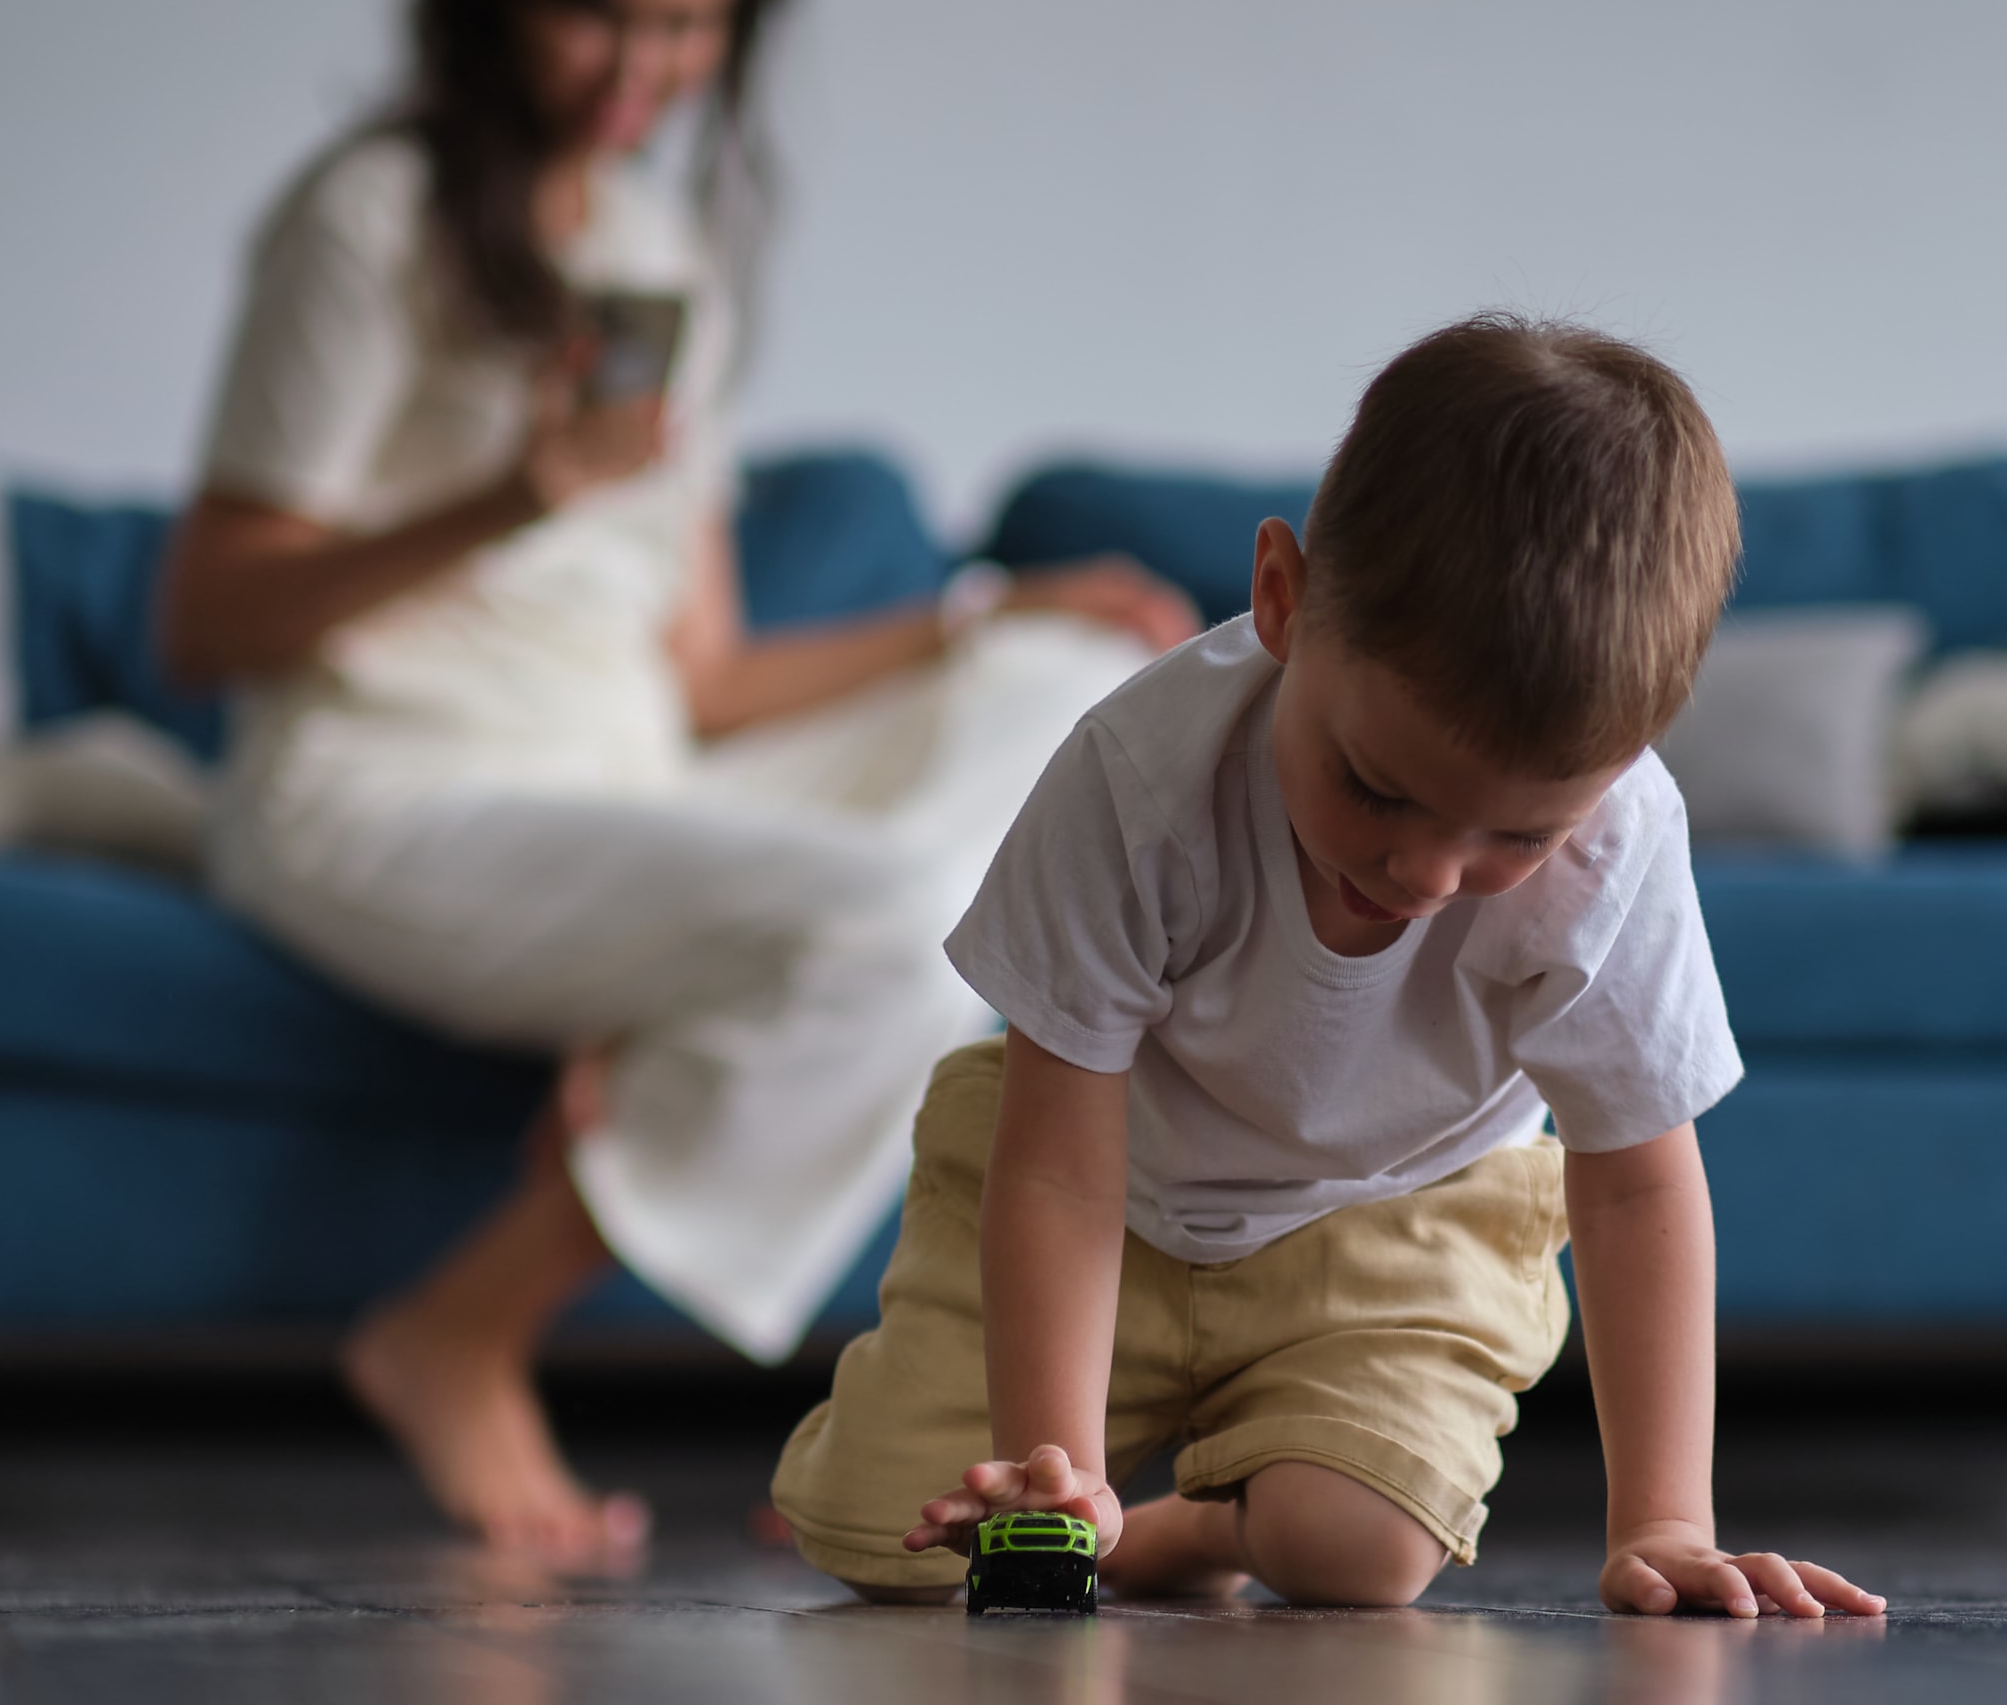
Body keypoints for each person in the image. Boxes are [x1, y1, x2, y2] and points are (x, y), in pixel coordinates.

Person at [160, 0, 1195, 1563]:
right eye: (604, 13)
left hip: (630, 778)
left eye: (688, 25)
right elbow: (205, 620)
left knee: (1068, 690)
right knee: (900, 926)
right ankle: (458, 1330)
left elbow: (703, 681)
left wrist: (981, 613)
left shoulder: (658, 255)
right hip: (381, 792)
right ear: (499, 1)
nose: (644, 66)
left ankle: (719, 1003)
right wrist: (514, 493)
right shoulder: (368, 217)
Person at [770, 316, 1884, 1616]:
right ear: (1284, 602)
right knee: (883, 1540)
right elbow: (1056, 1164)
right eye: (1375, 789)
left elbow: (1635, 1190)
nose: (1426, 874)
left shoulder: (1619, 847)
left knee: (1359, 1556)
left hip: (1393, 1219)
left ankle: (1196, 1531)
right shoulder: (1139, 780)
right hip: (1105, 1194)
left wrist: (1665, 1522)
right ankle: (1109, 1514)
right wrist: (1048, 1478)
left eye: (1515, 836)